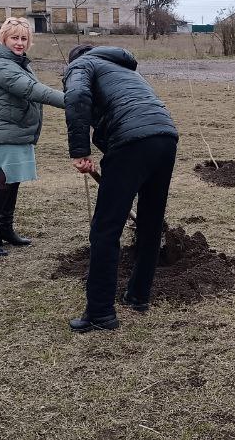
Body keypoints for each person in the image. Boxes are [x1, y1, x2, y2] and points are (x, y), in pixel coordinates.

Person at [63, 44, 179, 333]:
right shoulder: (125, 69)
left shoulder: (82, 65)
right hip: (165, 136)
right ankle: (138, 295)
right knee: (150, 223)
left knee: (106, 228)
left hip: (132, 142)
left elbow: (77, 96)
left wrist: (79, 151)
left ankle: (101, 312)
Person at [0, 17, 65, 257]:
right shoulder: (0, 66)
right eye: (14, 37)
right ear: (3, 38)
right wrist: (72, 101)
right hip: (4, 130)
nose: (19, 43)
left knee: (13, 180)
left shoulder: (17, 62)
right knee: (3, 182)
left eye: (24, 38)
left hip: (15, 129)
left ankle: (5, 229)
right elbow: (32, 90)